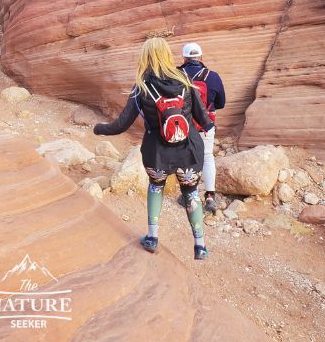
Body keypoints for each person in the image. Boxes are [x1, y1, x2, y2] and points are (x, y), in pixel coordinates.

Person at [93, 37, 214, 260]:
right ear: (168, 55)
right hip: (188, 150)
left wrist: (99, 129)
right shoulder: (185, 81)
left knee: (156, 187)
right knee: (191, 192)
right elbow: (205, 120)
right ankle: (200, 246)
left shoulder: (141, 87)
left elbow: (121, 125)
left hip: (157, 153)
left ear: (145, 57)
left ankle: (152, 238)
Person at [179, 42, 226, 213]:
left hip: (183, 126)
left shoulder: (176, 75)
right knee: (207, 157)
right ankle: (210, 196)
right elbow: (221, 103)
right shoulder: (212, 77)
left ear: (184, 57)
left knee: (186, 158)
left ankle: (188, 195)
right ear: (201, 57)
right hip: (205, 126)